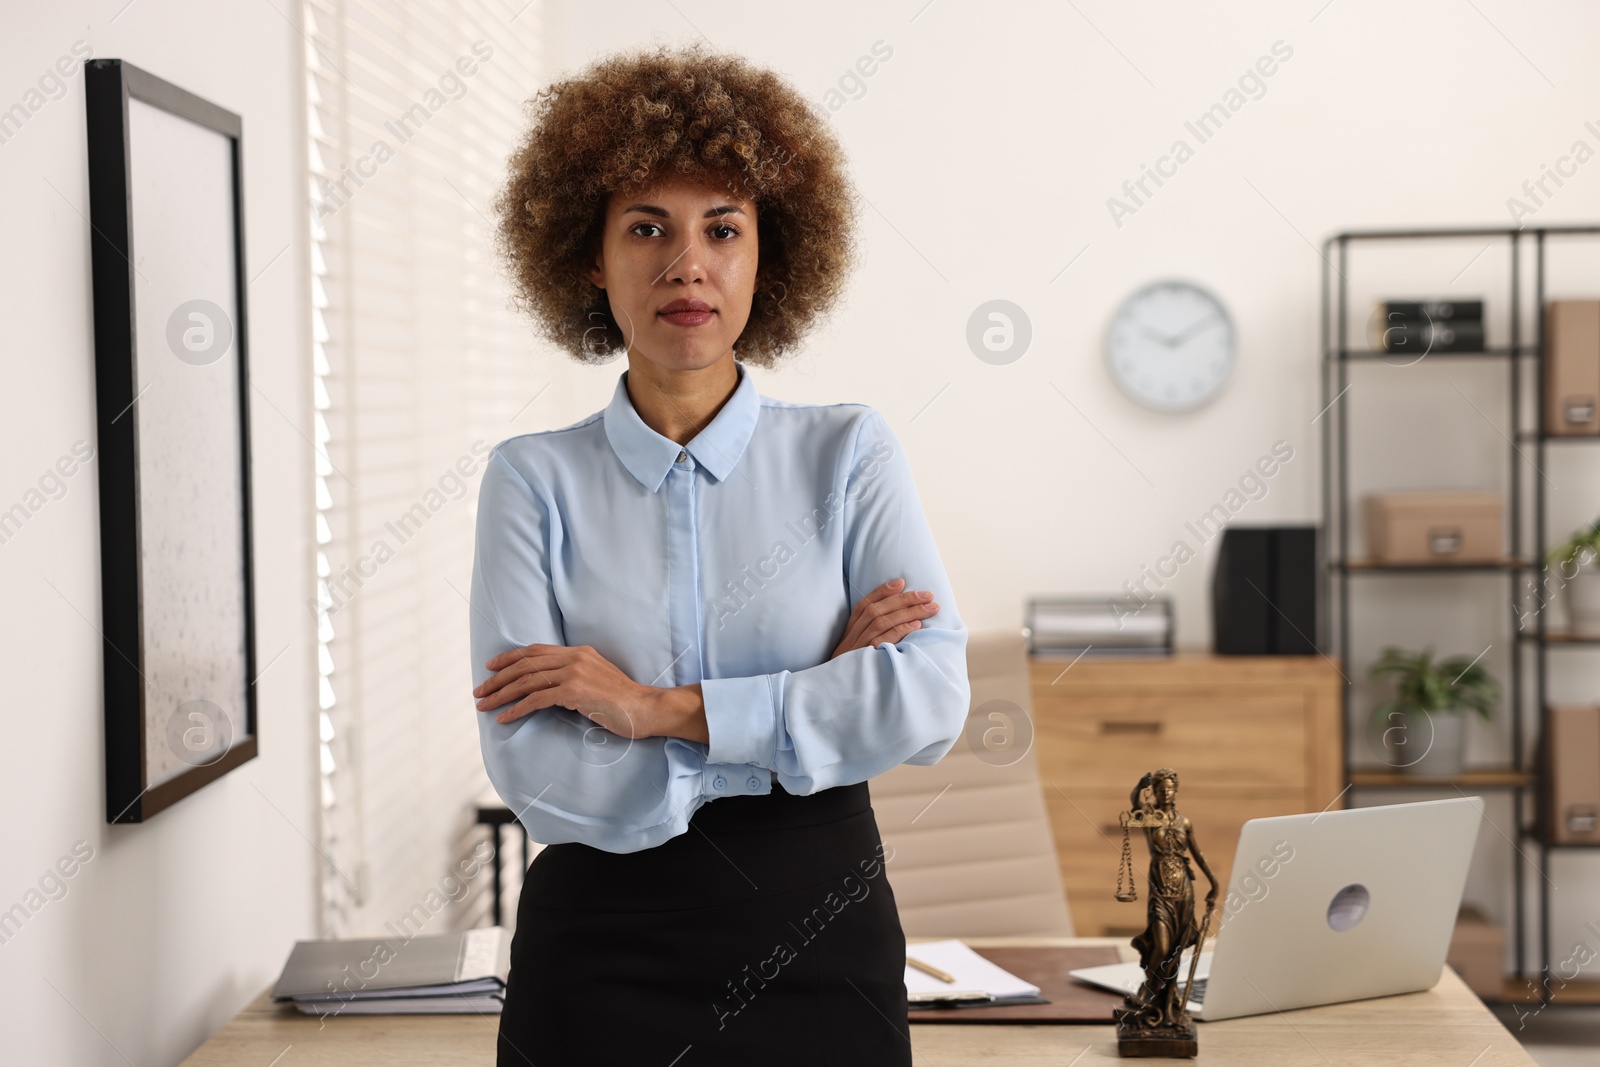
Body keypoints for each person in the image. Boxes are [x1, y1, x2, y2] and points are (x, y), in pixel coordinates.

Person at [468, 42, 971, 1066]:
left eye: (722, 229)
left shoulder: (847, 452)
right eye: (645, 227)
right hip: (598, 951)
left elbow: (929, 700)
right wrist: (809, 702)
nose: (684, 263)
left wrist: (653, 709)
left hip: (820, 931)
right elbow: (539, 775)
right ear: (589, 259)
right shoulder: (530, 480)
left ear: (765, 257)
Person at [1118, 768, 1218, 1033]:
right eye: (1159, 789)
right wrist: (1140, 785)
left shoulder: (1184, 823)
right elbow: (1135, 803)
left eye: (1168, 789)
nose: (1164, 793)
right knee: (1161, 949)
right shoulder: (1151, 819)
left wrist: (1213, 882)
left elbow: (1197, 854)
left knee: (1175, 951)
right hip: (1160, 890)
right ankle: (1148, 996)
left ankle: (1167, 1006)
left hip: (1184, 890)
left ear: (1175, 791)